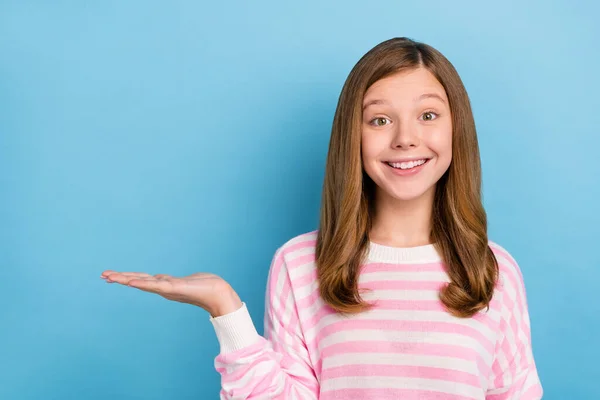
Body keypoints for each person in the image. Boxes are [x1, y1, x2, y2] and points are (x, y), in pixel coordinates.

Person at [101, 37, 543, 399]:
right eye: (379, 120)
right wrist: (225, 308)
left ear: (456, 128)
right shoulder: (299, 265)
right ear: (352, 134)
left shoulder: (494, 270)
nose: (406, 138)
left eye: (428, 115)